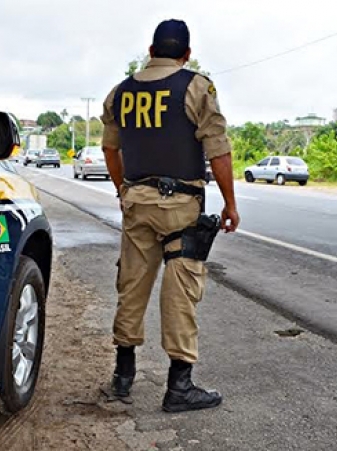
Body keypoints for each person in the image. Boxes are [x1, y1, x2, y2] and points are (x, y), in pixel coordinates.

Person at [100, 19, 240, 412]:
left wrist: (122, 189)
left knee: (131, 286)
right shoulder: (196, 86)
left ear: (150, 50)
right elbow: (217, 149)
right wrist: (230, 203)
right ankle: (179, 387)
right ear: (186, 54)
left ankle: (122, 377)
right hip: (180, 206)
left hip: (137, 203)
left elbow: (111, 151)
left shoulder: (121, 93)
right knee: (180, 292)